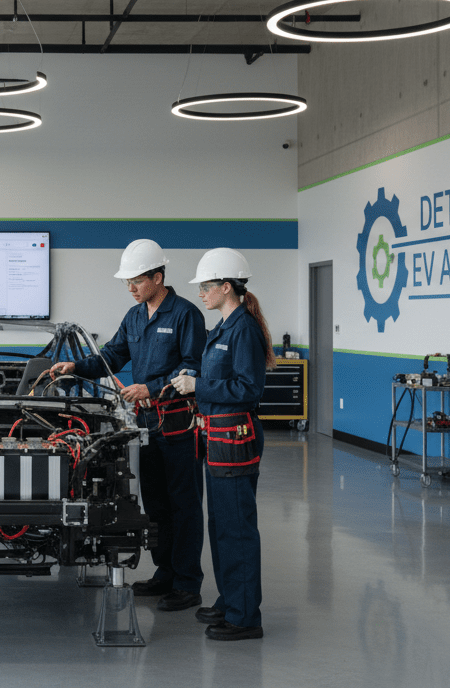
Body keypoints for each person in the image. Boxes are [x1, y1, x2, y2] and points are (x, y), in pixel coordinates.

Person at [50, 238, 206, 612]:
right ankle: (164, 574)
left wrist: (150, 388)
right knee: (154, 502)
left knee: (183, 504)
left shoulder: (186, 315)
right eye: (127, 283)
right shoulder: (134, 316)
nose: (131, 288)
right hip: (146, 424)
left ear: (157, 276)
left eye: (136, 281)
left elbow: (193, 367)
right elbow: (112, 355)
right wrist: (76, 366)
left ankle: (187, 584)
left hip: (179, 424)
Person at [171, 247, 273, 641]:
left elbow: (249, 388)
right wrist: (191, 381)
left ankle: (245, 617)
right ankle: (232, 600)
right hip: (217, 435)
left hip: (235, 435)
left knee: (237, 527)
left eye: (207, 286)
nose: (201, 293)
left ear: (226, 287)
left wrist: (200, 385)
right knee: (221, 525)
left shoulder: (243, 329)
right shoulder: (222, 327)